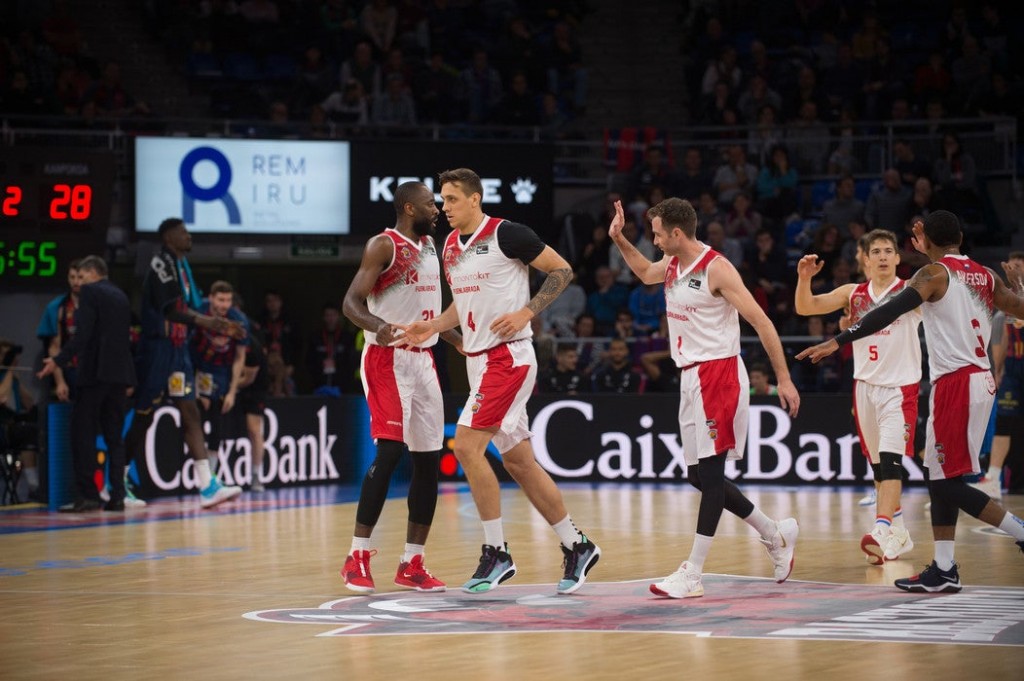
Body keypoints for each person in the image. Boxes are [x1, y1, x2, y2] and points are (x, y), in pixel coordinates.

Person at [396, 167, 601, 595]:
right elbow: (463, 307)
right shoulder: (450, 245)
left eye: (451, 200)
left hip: (508, 358)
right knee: (518, 462)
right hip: (479, 361)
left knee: (468, 445)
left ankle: (497, 552)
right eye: (442, 200)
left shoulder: (508, 233)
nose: (444, 208)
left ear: (474, 199)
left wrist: (527, 312)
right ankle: (576, 545)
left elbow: (562, 271)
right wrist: (431, 326)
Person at [797, 211, 1024, 592]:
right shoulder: (985, 274)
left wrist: (838, 340)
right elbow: (1017, 310)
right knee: (938, 477)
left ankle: (1018, 530)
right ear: (962, 236)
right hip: (971, 380)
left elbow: (888, 310)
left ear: (925, 244)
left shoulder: (932, 275)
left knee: (947, 483)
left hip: (957, 382)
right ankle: (945, 568)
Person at [608, 197, 800, 598]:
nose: (654, 239)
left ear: (677, 233)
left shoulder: (717, 268)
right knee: (697, 475)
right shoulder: (673, 264)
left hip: (720, 374)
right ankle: (774, 532)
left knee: (711, 476)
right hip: (690, 375)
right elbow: (645, 273)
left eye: (658, 233)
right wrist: (620, 239)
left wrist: (784, 378)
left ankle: (693, 573)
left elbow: (761, 321)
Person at [339, 180, 457, 594]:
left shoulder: (430, 248)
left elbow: (427, 315)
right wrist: (378, 326)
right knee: (389, 451)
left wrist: (462, 342)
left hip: (423, 359)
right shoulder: (382, 246)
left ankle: (413, 562)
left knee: (429, 461)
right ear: (409, 207)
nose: (437, 209)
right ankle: (357, 555)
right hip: (386, 358)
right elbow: (350, 304)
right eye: (431, 203)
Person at [795, 230, 921, 565]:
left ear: (897, 258)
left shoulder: (910, 291)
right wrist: (804, 279)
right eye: (876, 251)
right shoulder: (853, 294)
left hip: (900, 388)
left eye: (889, 251)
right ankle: (900, 531)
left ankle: (881, 528)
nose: (882, 256)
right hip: (864, 388)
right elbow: (805, 306)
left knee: (893, 461)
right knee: (879, 469)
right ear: (864, 258)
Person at [124, 218, 245, 508]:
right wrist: (212, 322)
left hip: (177, 350)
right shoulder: (161, 264)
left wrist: (217, 324)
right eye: (183, 232)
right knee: (144, 415)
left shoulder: (182, 266)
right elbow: (173, 310)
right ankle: (117, 482)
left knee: (190, 411)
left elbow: (187, 307)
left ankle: (207, 486)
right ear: (168, 237)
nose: (189, 236)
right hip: (157, 349)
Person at [39, 256, 134, 512]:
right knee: (115, 437)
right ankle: (117, 496)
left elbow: (84, 335)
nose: (78, 282)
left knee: (82, 433)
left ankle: (89, 495)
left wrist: (58, 360)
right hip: (118, 376)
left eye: (81, 276)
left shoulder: (92, 293)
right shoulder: (120, 295)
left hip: (94, 374)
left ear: (93, 273)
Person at [972, 250, 1024, 499]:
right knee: (1003, 422)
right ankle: (992, 477)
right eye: (1010, 266)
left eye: (1017, 267)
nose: (1012, 270)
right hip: (1014, 367)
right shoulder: (1006, 306)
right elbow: (1005, 335)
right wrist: (999, 369)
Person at [191, 281, 249, 470]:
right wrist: (196, 387)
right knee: (193, 421)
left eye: (228, 300)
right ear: (211, 298)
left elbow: (240, 357)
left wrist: (232, 391)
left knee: (218, 425)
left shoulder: (239, 320)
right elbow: (188, 351)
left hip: (222, 374)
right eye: (220, 300)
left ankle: (212, 473)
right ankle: (196, 470)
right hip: (198, 370)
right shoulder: (199, 312)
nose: (224, 305)